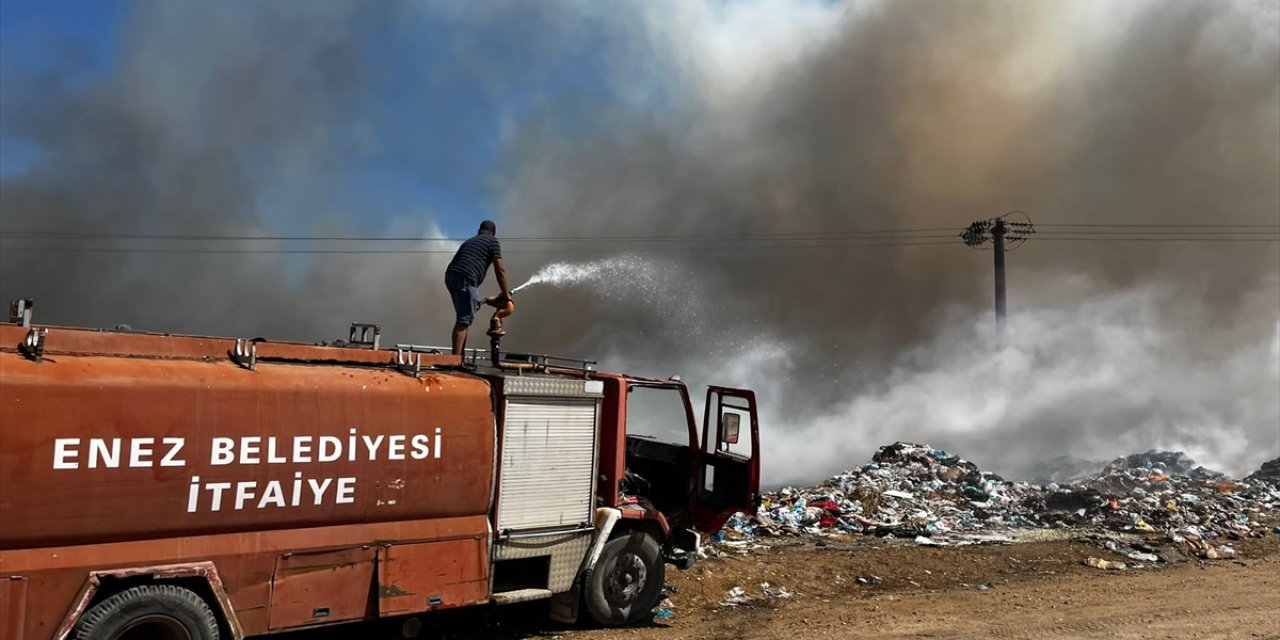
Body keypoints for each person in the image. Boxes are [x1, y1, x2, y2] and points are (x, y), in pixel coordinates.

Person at [444, 220, 512, 355]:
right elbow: (500, 270)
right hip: (466, 278)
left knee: (465, 318)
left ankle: (460, 358)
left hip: (451, 276)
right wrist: (505, 295)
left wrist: (481, 301)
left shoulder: (470, 241)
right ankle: (456, 360)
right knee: (464, 320)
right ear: (494, 233)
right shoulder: (492, 241)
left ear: (479, 231)